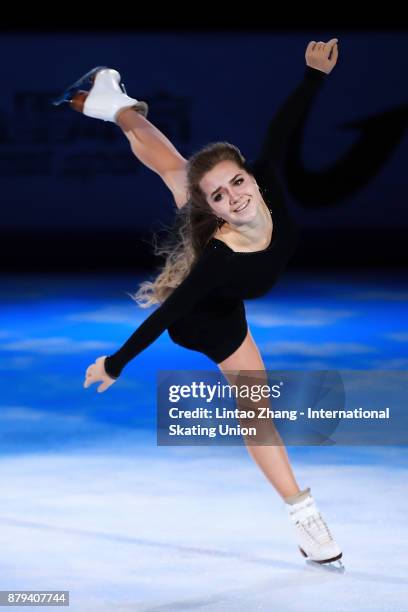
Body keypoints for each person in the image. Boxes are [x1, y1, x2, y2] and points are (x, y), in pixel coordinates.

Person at [53, 38, 343, 567]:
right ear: (215, 211)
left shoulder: (263, 185)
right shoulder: (219, 258)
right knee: (258, 412)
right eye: (221, 195)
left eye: (238, 180)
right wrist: (116, 364)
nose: (235, 196)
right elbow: (171, 311)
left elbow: (282, 131)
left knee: (177, 170)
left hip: (213, 271)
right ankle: (306, 519)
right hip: (209, 318)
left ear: (251, 175)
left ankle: (112, 102)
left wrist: (313, 75)